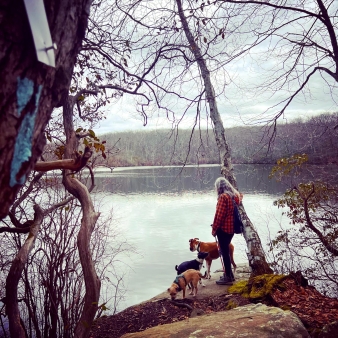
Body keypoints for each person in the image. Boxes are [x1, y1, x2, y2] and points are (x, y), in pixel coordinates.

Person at [211, 177, 243, 285]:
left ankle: (228, 277)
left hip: (223, 229)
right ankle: (229, 274)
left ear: (218, 187)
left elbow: (219, 216)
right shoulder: (234, 196)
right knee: (226, 251)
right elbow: (240, 197)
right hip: (232, 229)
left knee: (224, 252)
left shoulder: (223, 197)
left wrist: (214, 229)